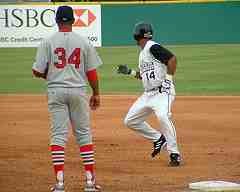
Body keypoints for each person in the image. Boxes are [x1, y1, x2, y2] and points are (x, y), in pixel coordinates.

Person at [32, 6, 102, 192]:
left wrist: (51, 74)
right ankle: (89, 182)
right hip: (78, 90)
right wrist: (96, 93)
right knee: (84, 134)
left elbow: (37, 70)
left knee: (58, 136)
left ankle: (60, 184)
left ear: (57, 21)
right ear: (73, 21)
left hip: (56, 91)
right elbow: (92, 72)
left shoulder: (47, 42)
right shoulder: (83, 42)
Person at [117, 22, 181, 167]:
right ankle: (158, 138)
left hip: (162, 92)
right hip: (148, 94)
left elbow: (172, 59)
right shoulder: (143, 53)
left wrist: (168, 80)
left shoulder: (152, 46)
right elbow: (146, 76)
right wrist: (130, 72)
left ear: (136, 35)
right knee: (130, 120)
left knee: (163, 116)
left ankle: (174, 153)